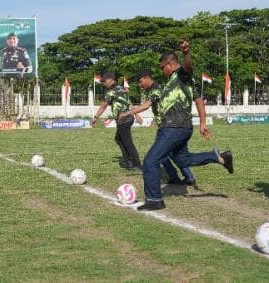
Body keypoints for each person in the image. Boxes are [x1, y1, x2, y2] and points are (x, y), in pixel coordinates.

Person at [135, 41, 234, 210]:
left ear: (170, 64)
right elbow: (199, 101)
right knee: (183, 159)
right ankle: (220, 157)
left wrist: (186, 53)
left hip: (174, 129)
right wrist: (202, 123)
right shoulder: (178, 82)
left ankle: (154, 200)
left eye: (162, 67)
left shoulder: (182, 74)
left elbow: (188, 67)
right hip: (181, 129)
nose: (161, 71)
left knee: (150, 161)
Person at [120, 69, 196, 185]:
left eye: (140, 82)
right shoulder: (153, 89)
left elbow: (146, 105)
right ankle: (186, 176)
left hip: (169, 127)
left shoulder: (156, 89)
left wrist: (128, 113)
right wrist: (154, 120)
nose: (140, 86)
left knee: (162, 154)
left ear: (146, 78)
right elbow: (161, 107)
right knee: (172, 153)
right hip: (167, 125)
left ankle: (177, 176)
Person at [91, 72, 141, 170]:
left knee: (127, 142)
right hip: (128, 118)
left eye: (104, 81)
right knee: (118, 139)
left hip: (123, 119)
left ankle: (136, 163)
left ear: (110, 80)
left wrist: (96, 117)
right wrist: (136, 115)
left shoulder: (112, 91)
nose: (104, 83)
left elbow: (104, 105)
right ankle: (128, 160)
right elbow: (129, 103)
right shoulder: (122, 89)